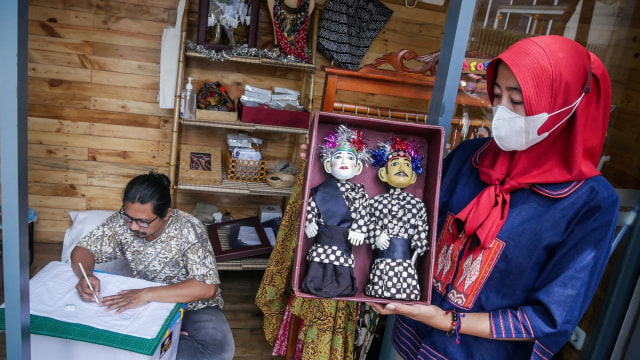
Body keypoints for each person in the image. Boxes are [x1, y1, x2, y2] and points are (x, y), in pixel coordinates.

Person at [369, 35, 619, 359]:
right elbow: (410, 213)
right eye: (497, 96)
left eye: (518, 101)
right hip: (412, 339)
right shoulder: (469, 156)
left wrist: (448, 320)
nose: (502, 112)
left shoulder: (590, 203)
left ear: (563, 106)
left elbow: (549, 318)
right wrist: (330, 165)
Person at [70, 171, 235, 360]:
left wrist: (146, 294)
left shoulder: (189, 228)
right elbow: (83, 249)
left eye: (143, 221)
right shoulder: (120, 223)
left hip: (193, 306)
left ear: (166, 214)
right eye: (129, 217)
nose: (132, 226)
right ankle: (165, 344)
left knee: (219, 352)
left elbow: (206, 287)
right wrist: (86, 275)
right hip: (147, 305)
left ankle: (165, 343)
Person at [302, 124, 370, 298]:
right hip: (323, 238)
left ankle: (342, 285)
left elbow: (364, 212)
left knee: (341, 266)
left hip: (344, 241)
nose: (344, 161)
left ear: (358, 168)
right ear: (327, 165)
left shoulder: (359, 192)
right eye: (338, 157)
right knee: (319, 263)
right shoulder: (321, 190)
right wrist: (310, 222)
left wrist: (359, 229)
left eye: (350, 158)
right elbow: (311, 207)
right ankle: (314, 283)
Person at [365, 137, 429, 300]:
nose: (402, 167)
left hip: (406, 259)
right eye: (395, 164)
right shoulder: (375, 202)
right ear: (383, 174)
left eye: (407, 165)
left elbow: (421, 230)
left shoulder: (417, 205)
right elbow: (366, 222)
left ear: (413, 177)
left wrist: (418, 247)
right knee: (381, 282)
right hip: (383, 256)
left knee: (406, 284)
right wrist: (376, 235)